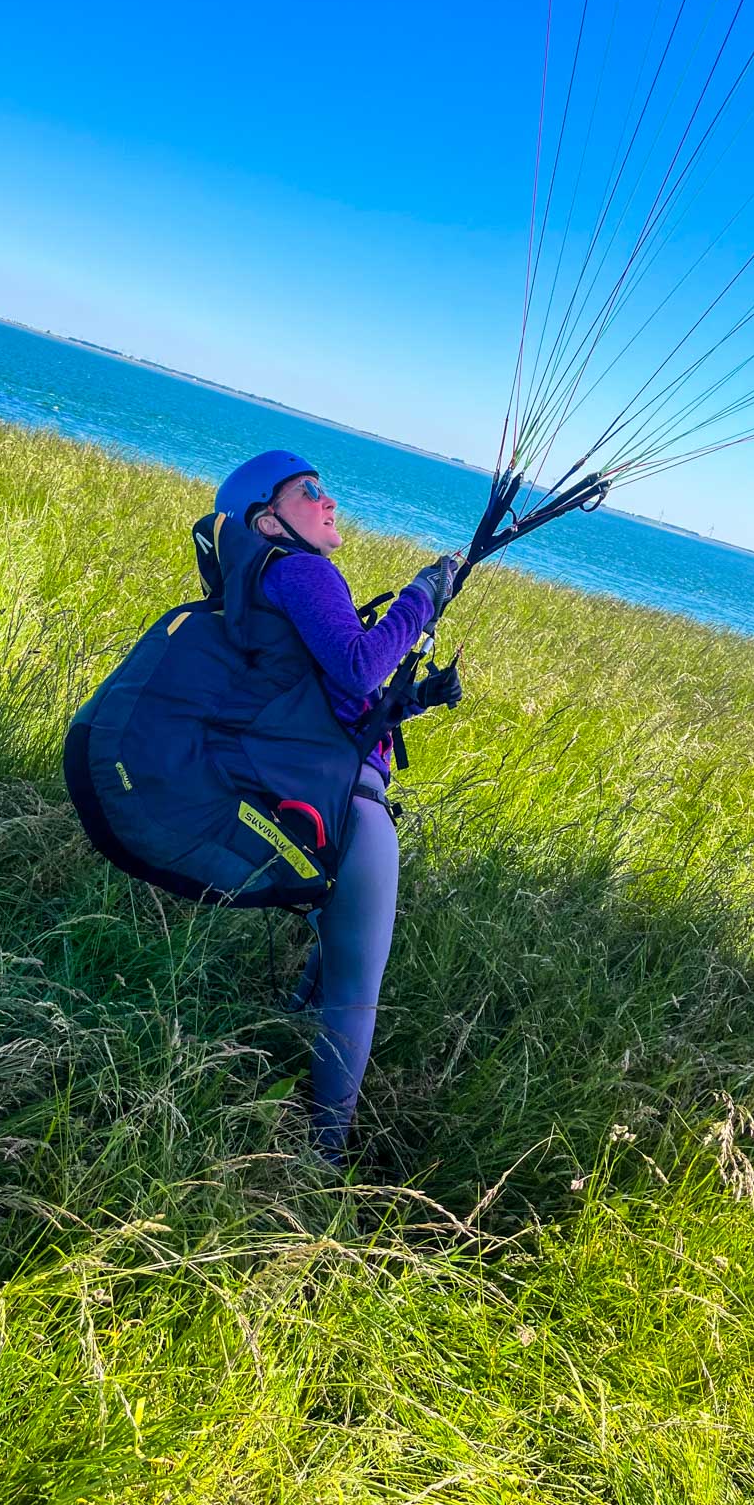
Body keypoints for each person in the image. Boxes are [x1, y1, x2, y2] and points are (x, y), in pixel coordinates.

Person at [214, 450, 461, 1164]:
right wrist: (421, 595)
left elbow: (335, 703)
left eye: (325, 488)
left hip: (314, 794)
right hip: (350, 807)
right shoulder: (301, 570)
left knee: (336, 949)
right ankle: (323, 1164)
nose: (328, 500)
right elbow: (358, 665)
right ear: (269, 521)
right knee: (356, 990)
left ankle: (271, 1048)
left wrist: (413, 701)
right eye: (308, 491)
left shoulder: (263, 587)